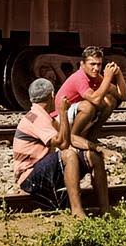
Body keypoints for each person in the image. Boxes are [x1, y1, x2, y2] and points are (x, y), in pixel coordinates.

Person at [13, 78, 110, 217]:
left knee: (93, 157)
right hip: (29, 178)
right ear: (52, 95)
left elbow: (70, 138)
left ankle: (105, 210)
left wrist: (98, 149)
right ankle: (77, 211)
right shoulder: (35, 117)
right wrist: (63, 112)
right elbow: (63, 144)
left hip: (41, 169)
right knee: (69, 155)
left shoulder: (43, 116)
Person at [55, 46, 126, 139]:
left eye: (99, 64)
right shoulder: (79, 77)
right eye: (92, 64)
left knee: (110, 101)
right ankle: (73, 139)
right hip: (61, 119)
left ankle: (92, 137)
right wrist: (107, 78)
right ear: (82, 64)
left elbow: (122, 96)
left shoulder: (95, 77)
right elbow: (95, 99)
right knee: (88, 107)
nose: (96, 68)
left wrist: (119, 74)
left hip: (73, 115)